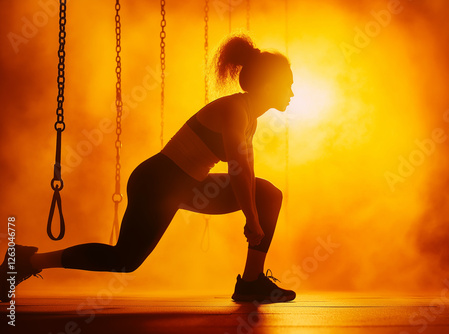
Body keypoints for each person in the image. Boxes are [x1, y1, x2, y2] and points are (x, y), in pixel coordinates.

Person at [0, 35, 295, 303]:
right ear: (269, 84)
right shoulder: (234, 110)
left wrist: (254, 215)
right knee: (124, 260)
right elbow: (238, 169)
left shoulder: (248, 116)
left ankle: (251, 281)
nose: (292, 93)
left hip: (187, 185)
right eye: (289, 85)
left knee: (268, 194)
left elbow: (247, 167)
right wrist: (251, 220)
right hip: (158, 182)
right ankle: (25, 260)